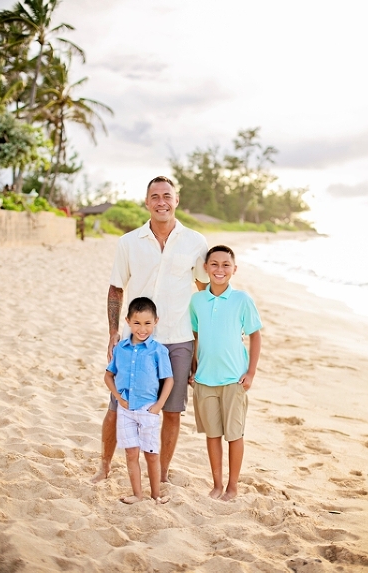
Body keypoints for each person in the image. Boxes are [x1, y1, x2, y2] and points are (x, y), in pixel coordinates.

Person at [92, 175, 209, 484]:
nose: (161, 202)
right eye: (155, 196)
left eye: (167, 196)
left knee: (171, 411)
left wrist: (201, 342)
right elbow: (116, 289)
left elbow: (204, 288)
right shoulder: (129, 242)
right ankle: (104, 466)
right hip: (137, 341)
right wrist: (113, 332)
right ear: (147, 202)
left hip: (179, 338)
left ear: (176, 200)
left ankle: (163, 472)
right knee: (119, 406)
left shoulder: (195, 242)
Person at [189, 245, 261, 501]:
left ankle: (232, 486)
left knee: (234, 434)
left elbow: (255, 335)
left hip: (234, 379)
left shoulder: (242, 300)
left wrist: (251, 372)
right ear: (206, 268)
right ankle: (217, 484)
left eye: (225, 265)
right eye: (214, 264)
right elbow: (196, 335)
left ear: (234, 269)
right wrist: (193, 365)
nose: (220, 269)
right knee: (212, 434)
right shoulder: (197, 300)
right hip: (205, 379)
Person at [105, 297, 174, 504]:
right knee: (131, 453)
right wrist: (118, 398)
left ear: (155, 322)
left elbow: (168, 379)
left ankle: (155, 495)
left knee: (151, 454)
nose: (142, 329)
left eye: (147, 323)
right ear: (127, 321)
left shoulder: (158, 351)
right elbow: (108, 376)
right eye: (137, 323)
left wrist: (159, 406)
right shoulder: (121, 349)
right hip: (126, 409)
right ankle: (137, 494)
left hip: (148, 409)